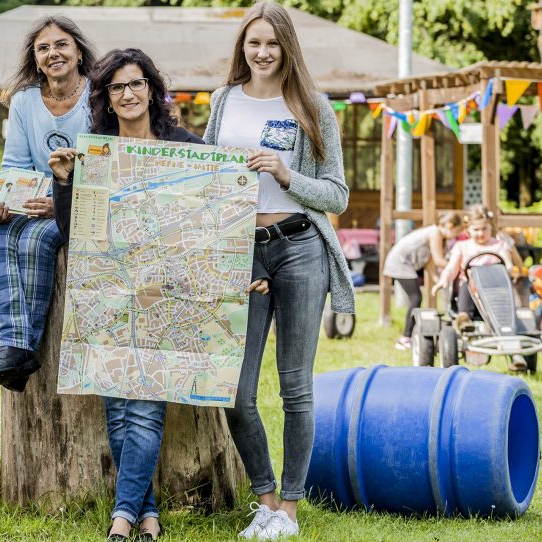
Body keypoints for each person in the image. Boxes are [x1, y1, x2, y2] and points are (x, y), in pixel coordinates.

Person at [202, 3, 353, 538]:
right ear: (242, 47)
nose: (262, 53)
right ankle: (263, 499)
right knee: (235, 391)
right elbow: (206, 177)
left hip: (300, 248)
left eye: (272, 43)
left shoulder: (312, 106)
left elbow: (336, 192)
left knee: (295, 388)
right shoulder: (223, 101)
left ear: (288, 47)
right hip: (241, 253)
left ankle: (288, 511)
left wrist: (288, 175)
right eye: (253, 43)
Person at [50, 47, 203, 542]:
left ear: (152, 90)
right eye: (117, 87)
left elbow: (207, 224)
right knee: (118, 405)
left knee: (143, 403)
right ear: (107, 98)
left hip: (164, 295)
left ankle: (122, 517)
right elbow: (75, 231)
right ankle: (147, 513)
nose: (128, 93)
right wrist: (63, 182)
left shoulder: (186, 146)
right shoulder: (95, 151)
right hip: (111, 291)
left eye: (136, 83)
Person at [0, 15, 96, 391]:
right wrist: (6, 202)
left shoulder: (98, 95)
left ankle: (20, 349)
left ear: (77, 51)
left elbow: (105, 164)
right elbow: (15, 166)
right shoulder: (25, 101)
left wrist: (59, 200)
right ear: (35, 58)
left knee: (36, 241)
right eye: (43, 48)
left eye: (60, 45)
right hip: (36, 202)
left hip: (82, 204)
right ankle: (11, 346)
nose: (52, 53)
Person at [431, 205, 520, 333]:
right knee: (468, 284)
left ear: (491, 227)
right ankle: (464, 317)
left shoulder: (499, 245)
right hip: (470, 290)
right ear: (468, 230)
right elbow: (451, 268)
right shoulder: (462, 246)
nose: (480, 233)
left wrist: (510, 269)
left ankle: (508, 323)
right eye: (476, 229)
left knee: (505, 289)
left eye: (484, 229)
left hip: (495, 288)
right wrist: (443, 280)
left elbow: (507, 262)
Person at [383, 212, 463, 350]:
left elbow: (430, 264)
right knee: (416, 298)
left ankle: (410, 335)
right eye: (458, 230)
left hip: (407, 265)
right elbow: (439, 261)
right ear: (450, 226)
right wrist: (460, 265)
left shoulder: (441, 237)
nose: (457, 235)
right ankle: (405, 338)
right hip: (400, 263)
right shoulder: (435, 233)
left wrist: (438, 280)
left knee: (416, 298)